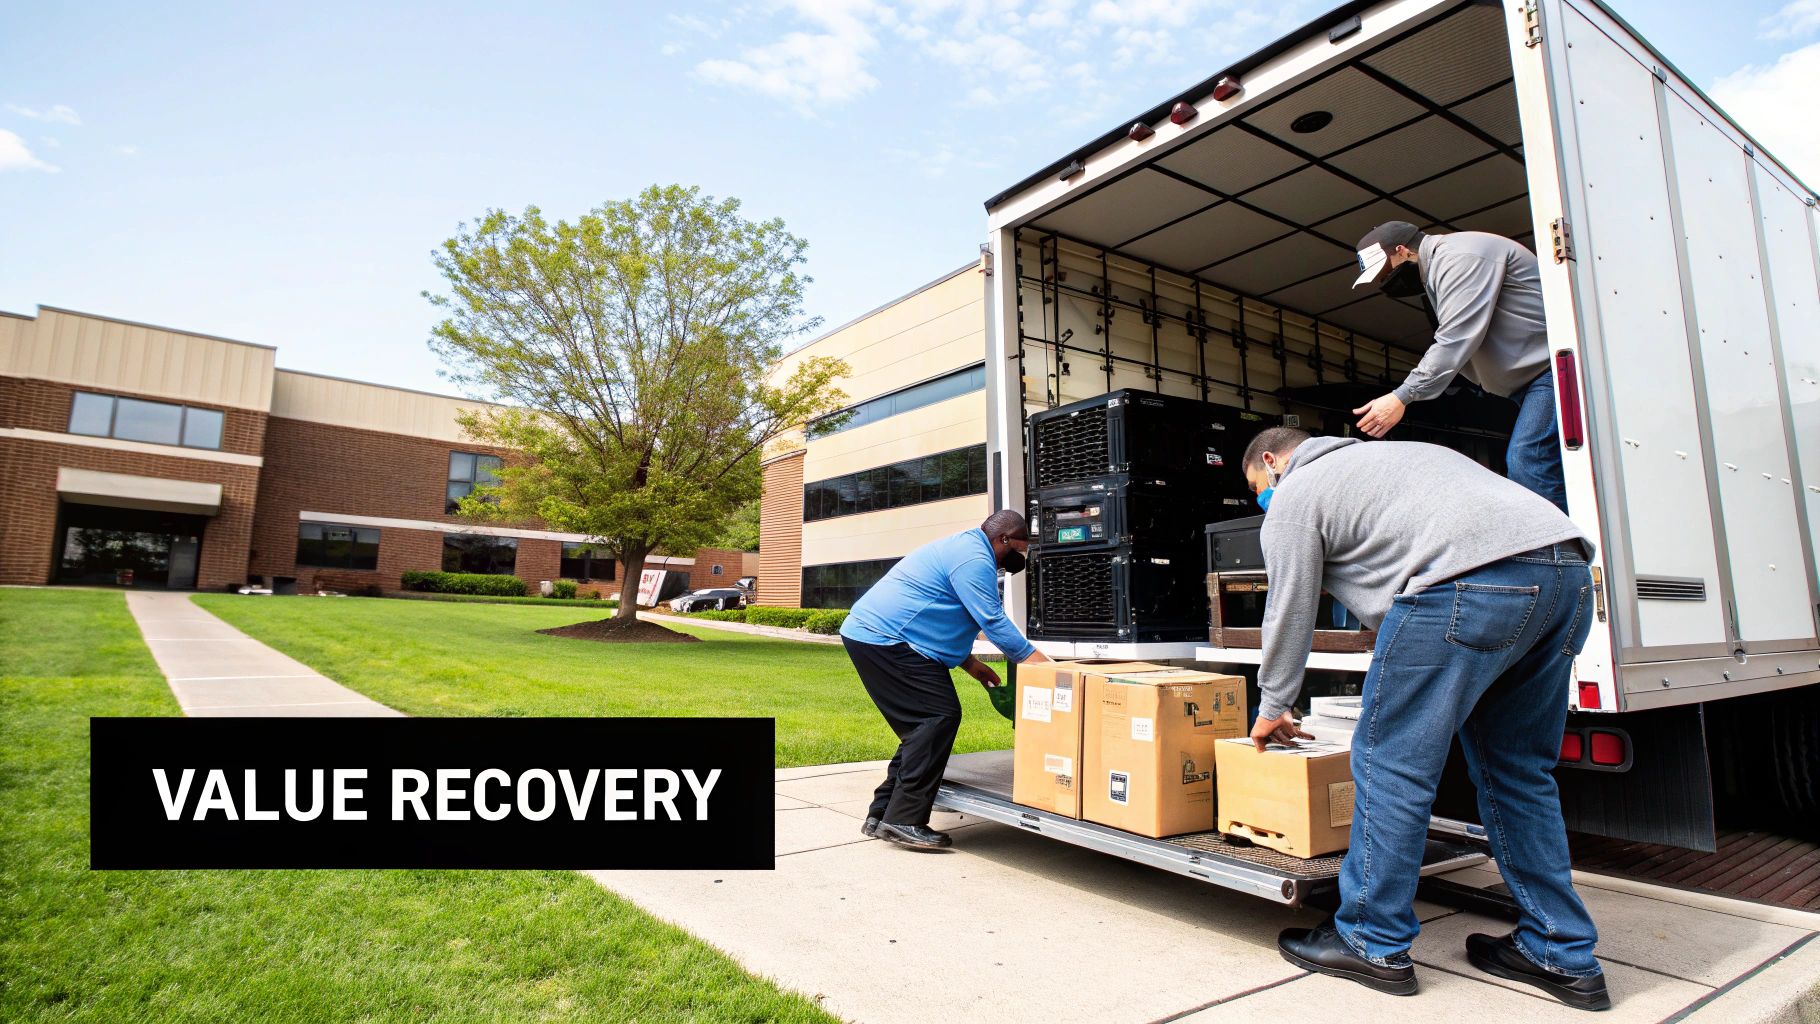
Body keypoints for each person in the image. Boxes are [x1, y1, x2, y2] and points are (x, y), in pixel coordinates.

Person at [1242, 425, 1608, 1010]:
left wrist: (1273, 702)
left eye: (1258, 486)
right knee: (1519, 772)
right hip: (1567, 579)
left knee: (1391, 766)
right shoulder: (1406, 459)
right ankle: (1561, 953)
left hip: (1466, 587)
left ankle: (1370, 939)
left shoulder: (1297, 491)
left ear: (1272, 461)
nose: (1263, 497)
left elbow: (1288, 607)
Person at [839, 510, 1050, 851]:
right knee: (937, 716)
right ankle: (904, 819)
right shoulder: (973, 559)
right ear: (1004, 539)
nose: (1019, 560)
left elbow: (942, 612)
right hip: (886, 639)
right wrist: (1039, 664)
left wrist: (969, 664)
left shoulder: (966, 549)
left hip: (882, 637)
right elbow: (992, 620)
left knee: (922, 725)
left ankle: (883, 813)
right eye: (1019, 551)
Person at [1349, 221, 1568, 512]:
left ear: (1401, 251)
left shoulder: (1459, 258)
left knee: (1529, 457)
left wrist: (1401, 396)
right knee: (1554, 463)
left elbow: (1455, 338)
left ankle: (1559, 553)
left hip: (1548, 369)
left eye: (1383, 272)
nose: (1383, 282)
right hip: (1527, 381)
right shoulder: (1440, 269)